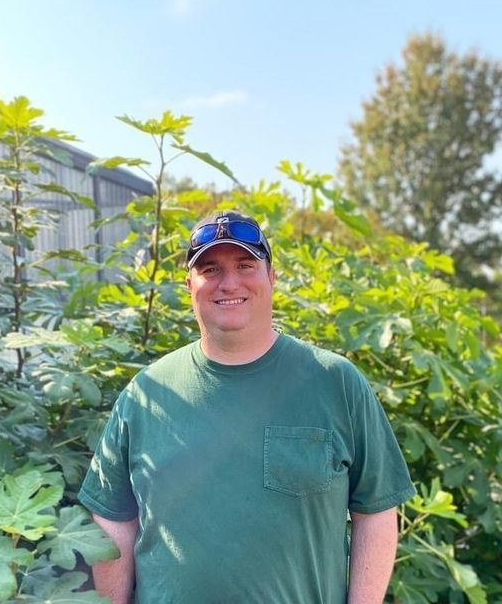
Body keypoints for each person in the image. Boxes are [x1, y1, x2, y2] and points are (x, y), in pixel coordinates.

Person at [78, 210, 416, 604]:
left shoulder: (335, 382)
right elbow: (113, 523)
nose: (229, 282)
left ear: (271, 277)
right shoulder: (146, 393)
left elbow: (375, 512)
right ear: (189, 285)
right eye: (210, 269)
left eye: (245, 265)